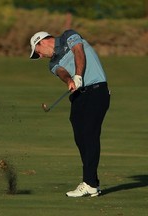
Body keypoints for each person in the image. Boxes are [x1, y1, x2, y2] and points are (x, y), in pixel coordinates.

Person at [29, 29, 110, 197]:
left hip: (97, 91)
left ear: (42, 42)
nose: (41, 56)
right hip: (79, 95)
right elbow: (62, 72)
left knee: (90, 134)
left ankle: (89, 183)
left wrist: (79, 75)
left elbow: (78, 51)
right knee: (81, 137)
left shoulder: (68, 36)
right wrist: (70, 80)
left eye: (38, 52)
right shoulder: (52, 63)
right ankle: (92, 183)